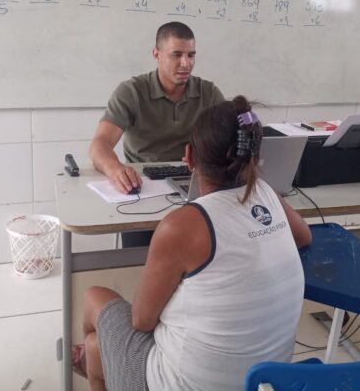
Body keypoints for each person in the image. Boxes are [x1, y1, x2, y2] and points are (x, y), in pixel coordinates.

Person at [73, 96, 312, 391]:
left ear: (189, 157)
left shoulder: (182, 225)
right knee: (96, 347)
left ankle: (90, 358)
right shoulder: (266, 193)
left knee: (93, 297)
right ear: (253, 155)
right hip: (265, 382)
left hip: (180, 384)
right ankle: (95, 355)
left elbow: (141, 321)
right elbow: (304, 236)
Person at [89, 21, 224, 246]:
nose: (186, 63)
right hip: (143, 188)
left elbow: (228, 140)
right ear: (156, 54)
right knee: (139, 259)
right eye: (176, 54)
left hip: (193, 184)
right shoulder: (131, 91)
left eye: (191, 55)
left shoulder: (208, 93)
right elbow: (99, 144)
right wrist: (115, 170)